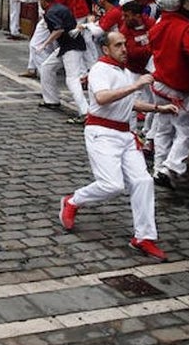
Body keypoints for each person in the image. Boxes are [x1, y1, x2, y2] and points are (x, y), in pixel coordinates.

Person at [59, 31, 177, 261]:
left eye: (125, 44)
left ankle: (144, 236)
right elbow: (103, 98)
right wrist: (136, 86)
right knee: (111, 185)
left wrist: (158, 109)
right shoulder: (100, 70)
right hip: (102, 133)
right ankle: (73, 201)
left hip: (124, 134)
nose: (125, 49)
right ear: (106, 49)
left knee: (143, 181)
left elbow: (128, 102)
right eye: (118, 45)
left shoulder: (121, 71)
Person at [147, 0, 189, 189]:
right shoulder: (186, 27)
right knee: (184, 130)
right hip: (178, 85)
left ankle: (158, 168)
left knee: (163, 128)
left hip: (160, 82)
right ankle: (171, 166)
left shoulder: (156, 27)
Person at [37, 0, 89, 121]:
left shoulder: (50, 12)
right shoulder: (60, 7)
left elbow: (58, 30)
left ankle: (85, 112)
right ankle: (51, 100)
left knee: (72, 79)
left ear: (43, 0)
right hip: (67, 46)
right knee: (47, 67)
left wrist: (44, 44)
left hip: (71, 48)